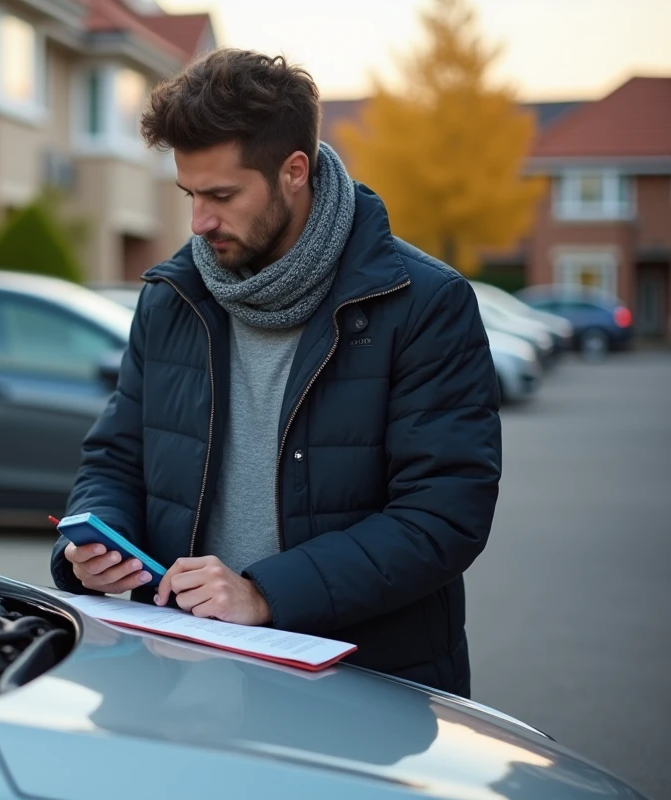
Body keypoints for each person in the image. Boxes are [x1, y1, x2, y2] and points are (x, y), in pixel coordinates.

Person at [49, 48, 502, 698]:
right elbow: (115, 459)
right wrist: (98, 545)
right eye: (189, 194)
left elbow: (443, 514)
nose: (200, 221)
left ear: (295, 171)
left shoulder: (424, 303)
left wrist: (265, 594)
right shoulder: (171, 296)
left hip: (359, 689)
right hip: (173, 682)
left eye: (222, 195)